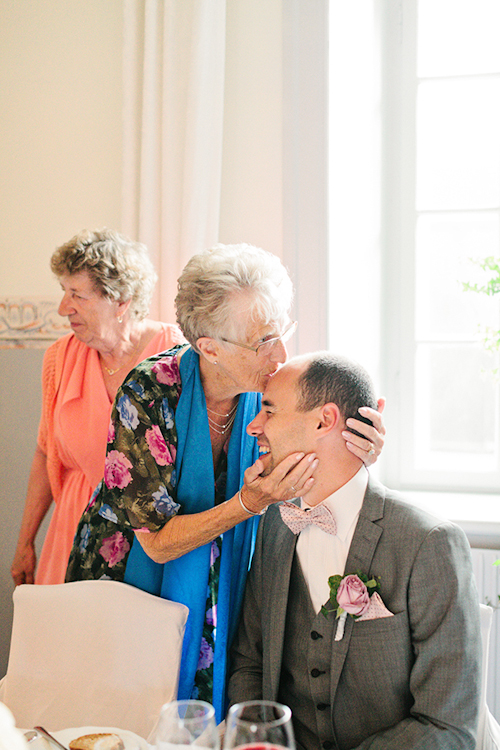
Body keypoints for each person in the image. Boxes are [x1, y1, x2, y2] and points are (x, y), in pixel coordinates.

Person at [65, 244, 386, 722]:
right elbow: (157, 544)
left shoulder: (277, 389)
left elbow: (322, 464)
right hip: (129, 576)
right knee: (128, 718)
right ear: (209, 346)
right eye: (262, 342)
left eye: (282, 333)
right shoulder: (148, 391)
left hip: (224, 576)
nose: (280, 355)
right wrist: (247, 503)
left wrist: (363, 453)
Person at [228, 351, 482, 750]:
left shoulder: (428, 542)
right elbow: (249, 662)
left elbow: (447, 725)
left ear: (323, 420)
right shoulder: (276, 523)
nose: (253, 426)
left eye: (270, 411)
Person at [11, 229, 185, 587]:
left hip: (149, 540)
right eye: (64, 292)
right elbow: (46, 451)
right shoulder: (60, 358)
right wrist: (25, 541)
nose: (63, 308)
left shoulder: (177, 357)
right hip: (72, 531)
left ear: (120, 300)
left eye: (78, 295)